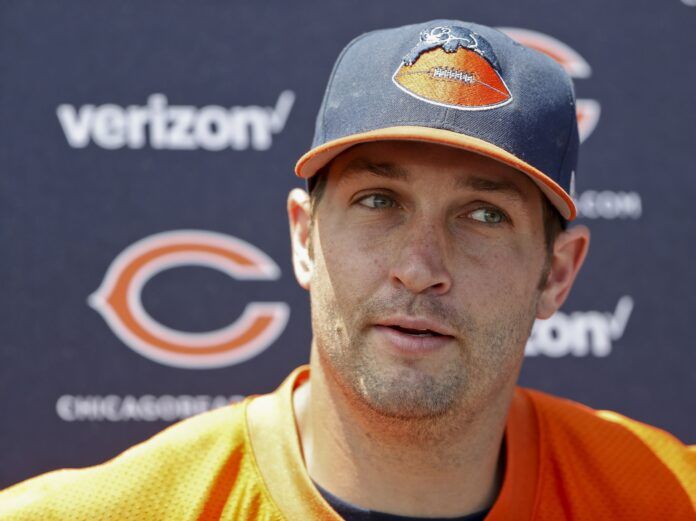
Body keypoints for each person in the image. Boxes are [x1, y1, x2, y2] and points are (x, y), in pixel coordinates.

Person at [1, 19, 694, 521]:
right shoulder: (98, 513)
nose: (420, 268)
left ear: (558, 273)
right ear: (304, 237)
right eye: (378, 200)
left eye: (483, 215)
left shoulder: (666, 496)